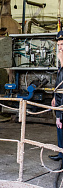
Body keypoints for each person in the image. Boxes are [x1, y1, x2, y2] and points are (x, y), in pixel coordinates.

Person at [49, 31, 63, 163]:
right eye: (59, 45)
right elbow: (59, 85)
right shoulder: (61, 64)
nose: (60, 48)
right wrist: (54, 96)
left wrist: (60, 116)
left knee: (61, 126)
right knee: (60, 131)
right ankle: (61, 153)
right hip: (59, 103)